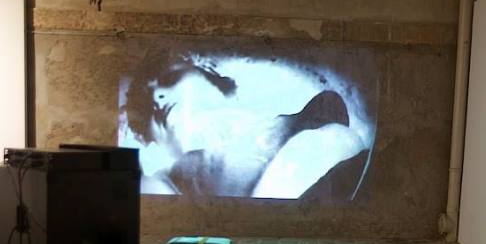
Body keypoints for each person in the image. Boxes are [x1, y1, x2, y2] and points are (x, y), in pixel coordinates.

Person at [119, 50, 375, 200]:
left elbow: (341, 142)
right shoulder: (169, 179)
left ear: (207, 70)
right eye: (146, 106)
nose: (157, 98)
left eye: (169, 79)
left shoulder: (317, 116)